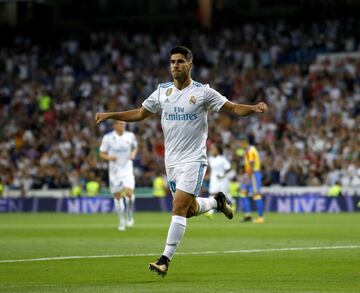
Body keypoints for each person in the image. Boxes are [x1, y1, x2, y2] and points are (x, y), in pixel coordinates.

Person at [95, 46, 268, 276]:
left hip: (194, 160)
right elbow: (139, 113)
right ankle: (217, 203)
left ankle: (164, 260)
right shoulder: (161, 92)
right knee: (187, 210)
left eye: (179, 61)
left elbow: (233, 108)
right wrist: (111, 115)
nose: (175, 65)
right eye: (172, 62)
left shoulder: (204, 92)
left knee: (177, 207)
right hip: (172, 162)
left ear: (190, 65)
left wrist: (254, 108)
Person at [99, 121, 138, 231]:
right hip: (115, 172)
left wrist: (133, 154)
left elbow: (135, 147)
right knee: (117, 196)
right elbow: (101, 153)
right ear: (114, 125)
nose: (123, 126)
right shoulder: (108, 138)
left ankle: (129, 211)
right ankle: (121, 220)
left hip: (127, 169)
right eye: (120, 124)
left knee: (129, 193)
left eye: (124, 124)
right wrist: (109, 158)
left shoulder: (130, 136)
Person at [238, 137, 265, 224]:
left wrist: (248, 178)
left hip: (253, 174)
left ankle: (260, 217)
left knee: (256, 195)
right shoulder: (248, 150)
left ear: (245, 142)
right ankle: (248, 215)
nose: (240, 144)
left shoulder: (250, 150)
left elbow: (252, 165)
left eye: (241, 142)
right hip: (249, 174)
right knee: (242, 193)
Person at [206, 144, 234, 218]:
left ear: (217, 150)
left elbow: (229, 167)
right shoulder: (210, 159)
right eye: (211, 149)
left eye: (213, 149)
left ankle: (233, 202)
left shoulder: (222, 159)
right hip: (214, 179)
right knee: (212, 194)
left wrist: (223, 174)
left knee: (225, 195)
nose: (212, 151)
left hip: (222, 179)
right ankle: (210, 212)